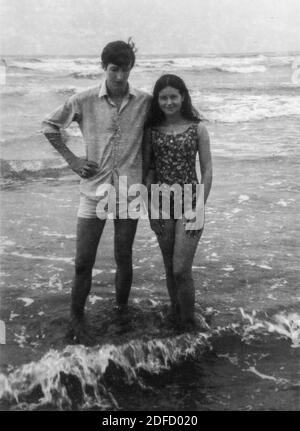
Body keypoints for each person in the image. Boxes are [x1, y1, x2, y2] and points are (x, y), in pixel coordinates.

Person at [42, 40, 151, 344]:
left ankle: (121, 312)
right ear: (104, 67)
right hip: (93, 192)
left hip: (128, 193)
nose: (119, 76)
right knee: (82, 262)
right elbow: (49, 126)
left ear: (132, 67)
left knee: (123, 257)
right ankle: (76, 318)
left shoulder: (145, 101)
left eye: (125, 69)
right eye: (114, 69)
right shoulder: (84, 99)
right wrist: (73, 160)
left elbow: (167, 119)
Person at [143, 74, 212, 331]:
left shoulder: (198, 128)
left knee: (182, 269)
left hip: (190, 203)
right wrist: (150, 208)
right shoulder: (151, 130)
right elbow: (148, 170)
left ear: (183, 97)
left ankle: (189, 322)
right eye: (163, 97)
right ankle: (175, 315)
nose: (169, 102)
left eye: (174, 96)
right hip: (161, 205)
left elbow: (207, 170)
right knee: (170, 267)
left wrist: (199, 207)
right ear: (157, 100)